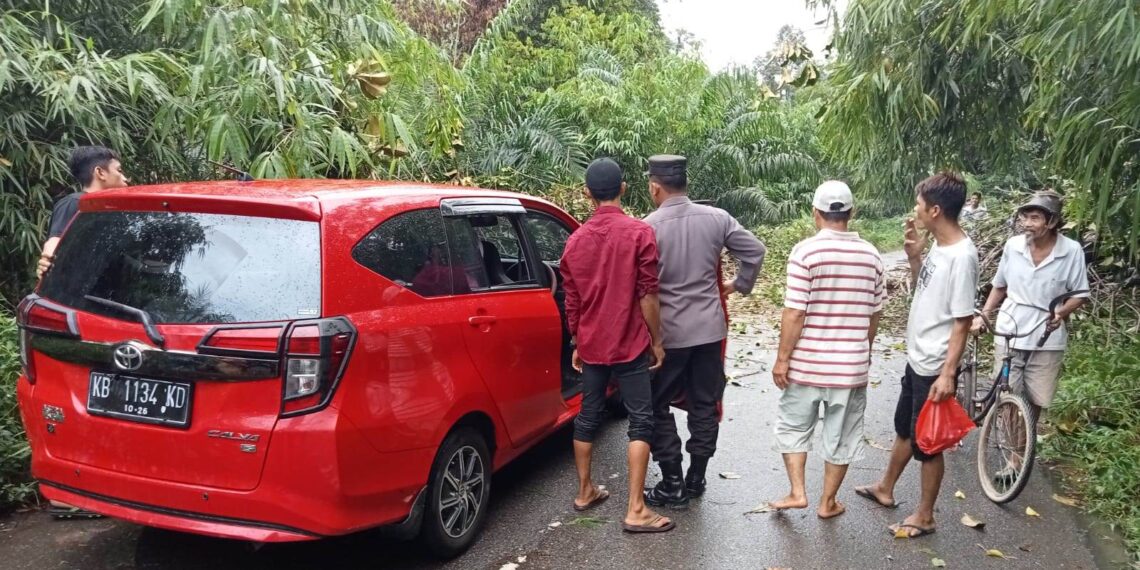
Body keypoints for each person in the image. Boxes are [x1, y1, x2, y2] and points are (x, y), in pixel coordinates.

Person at [855, 172, 977, 538]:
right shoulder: (939, 246)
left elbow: (962, 320)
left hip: (935, 365)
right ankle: (885, 487)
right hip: (918, 357)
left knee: (929, 442)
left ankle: (925, 515)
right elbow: (926, 287)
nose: (916, 210)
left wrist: (948, 373)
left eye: (920, 204)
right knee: (905, 428)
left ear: (935, 209)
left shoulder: (962, 256)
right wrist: (914, 258)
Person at [641, 154, 766, 508]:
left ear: (655, 186)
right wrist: (738, 284)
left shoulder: (647, 227)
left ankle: (672, 482)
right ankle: (696, 478)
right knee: (704, 404)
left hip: (669, 336)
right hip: (710, 331)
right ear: (685, 182)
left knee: (655, 404)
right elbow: (755, 251)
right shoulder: (717, 218)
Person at [559, 157, 674, 534]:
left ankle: (584, 490)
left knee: (588, 415)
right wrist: (656, 341)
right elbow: (648, 295)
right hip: (629, 342)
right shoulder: (639, 233)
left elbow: (571, 301)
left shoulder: (574, 242)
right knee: (641, 419)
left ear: (587, 194)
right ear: (623, 189)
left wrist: (578, 339)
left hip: (592, 344)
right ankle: (636, 508)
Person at [767, 181, 885, 519]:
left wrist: (782, 359)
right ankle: (828, 502)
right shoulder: (872, 255)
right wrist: (864, 350)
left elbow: (794, 311)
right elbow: (874, 314)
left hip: (806, 364)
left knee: (792, 426)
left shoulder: (805, 252)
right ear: (852, 213)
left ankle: (797, 491)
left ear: (815, 213)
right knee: (842, 434)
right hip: (850, 368)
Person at [972, 190, 1088, 418]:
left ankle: (1023, 446)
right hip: (1011, 326)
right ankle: (1015, 446)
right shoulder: (1013, 246)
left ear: (1052, 221)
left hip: (1047, 334)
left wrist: (1061, 312)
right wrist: (984, 315)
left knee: (1037, 398)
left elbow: (1081, 294)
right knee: (1008, 393)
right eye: (1025, 217)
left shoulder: (1071, 250)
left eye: (1034, 218)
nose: (1027, 223)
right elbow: (1000, 285)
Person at [37, 146, 129, 279]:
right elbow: (55, 240)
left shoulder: (107, 209)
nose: (125, 178)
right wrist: (48, 259)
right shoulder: (76, 202)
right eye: (119, 171)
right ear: (100, 173)